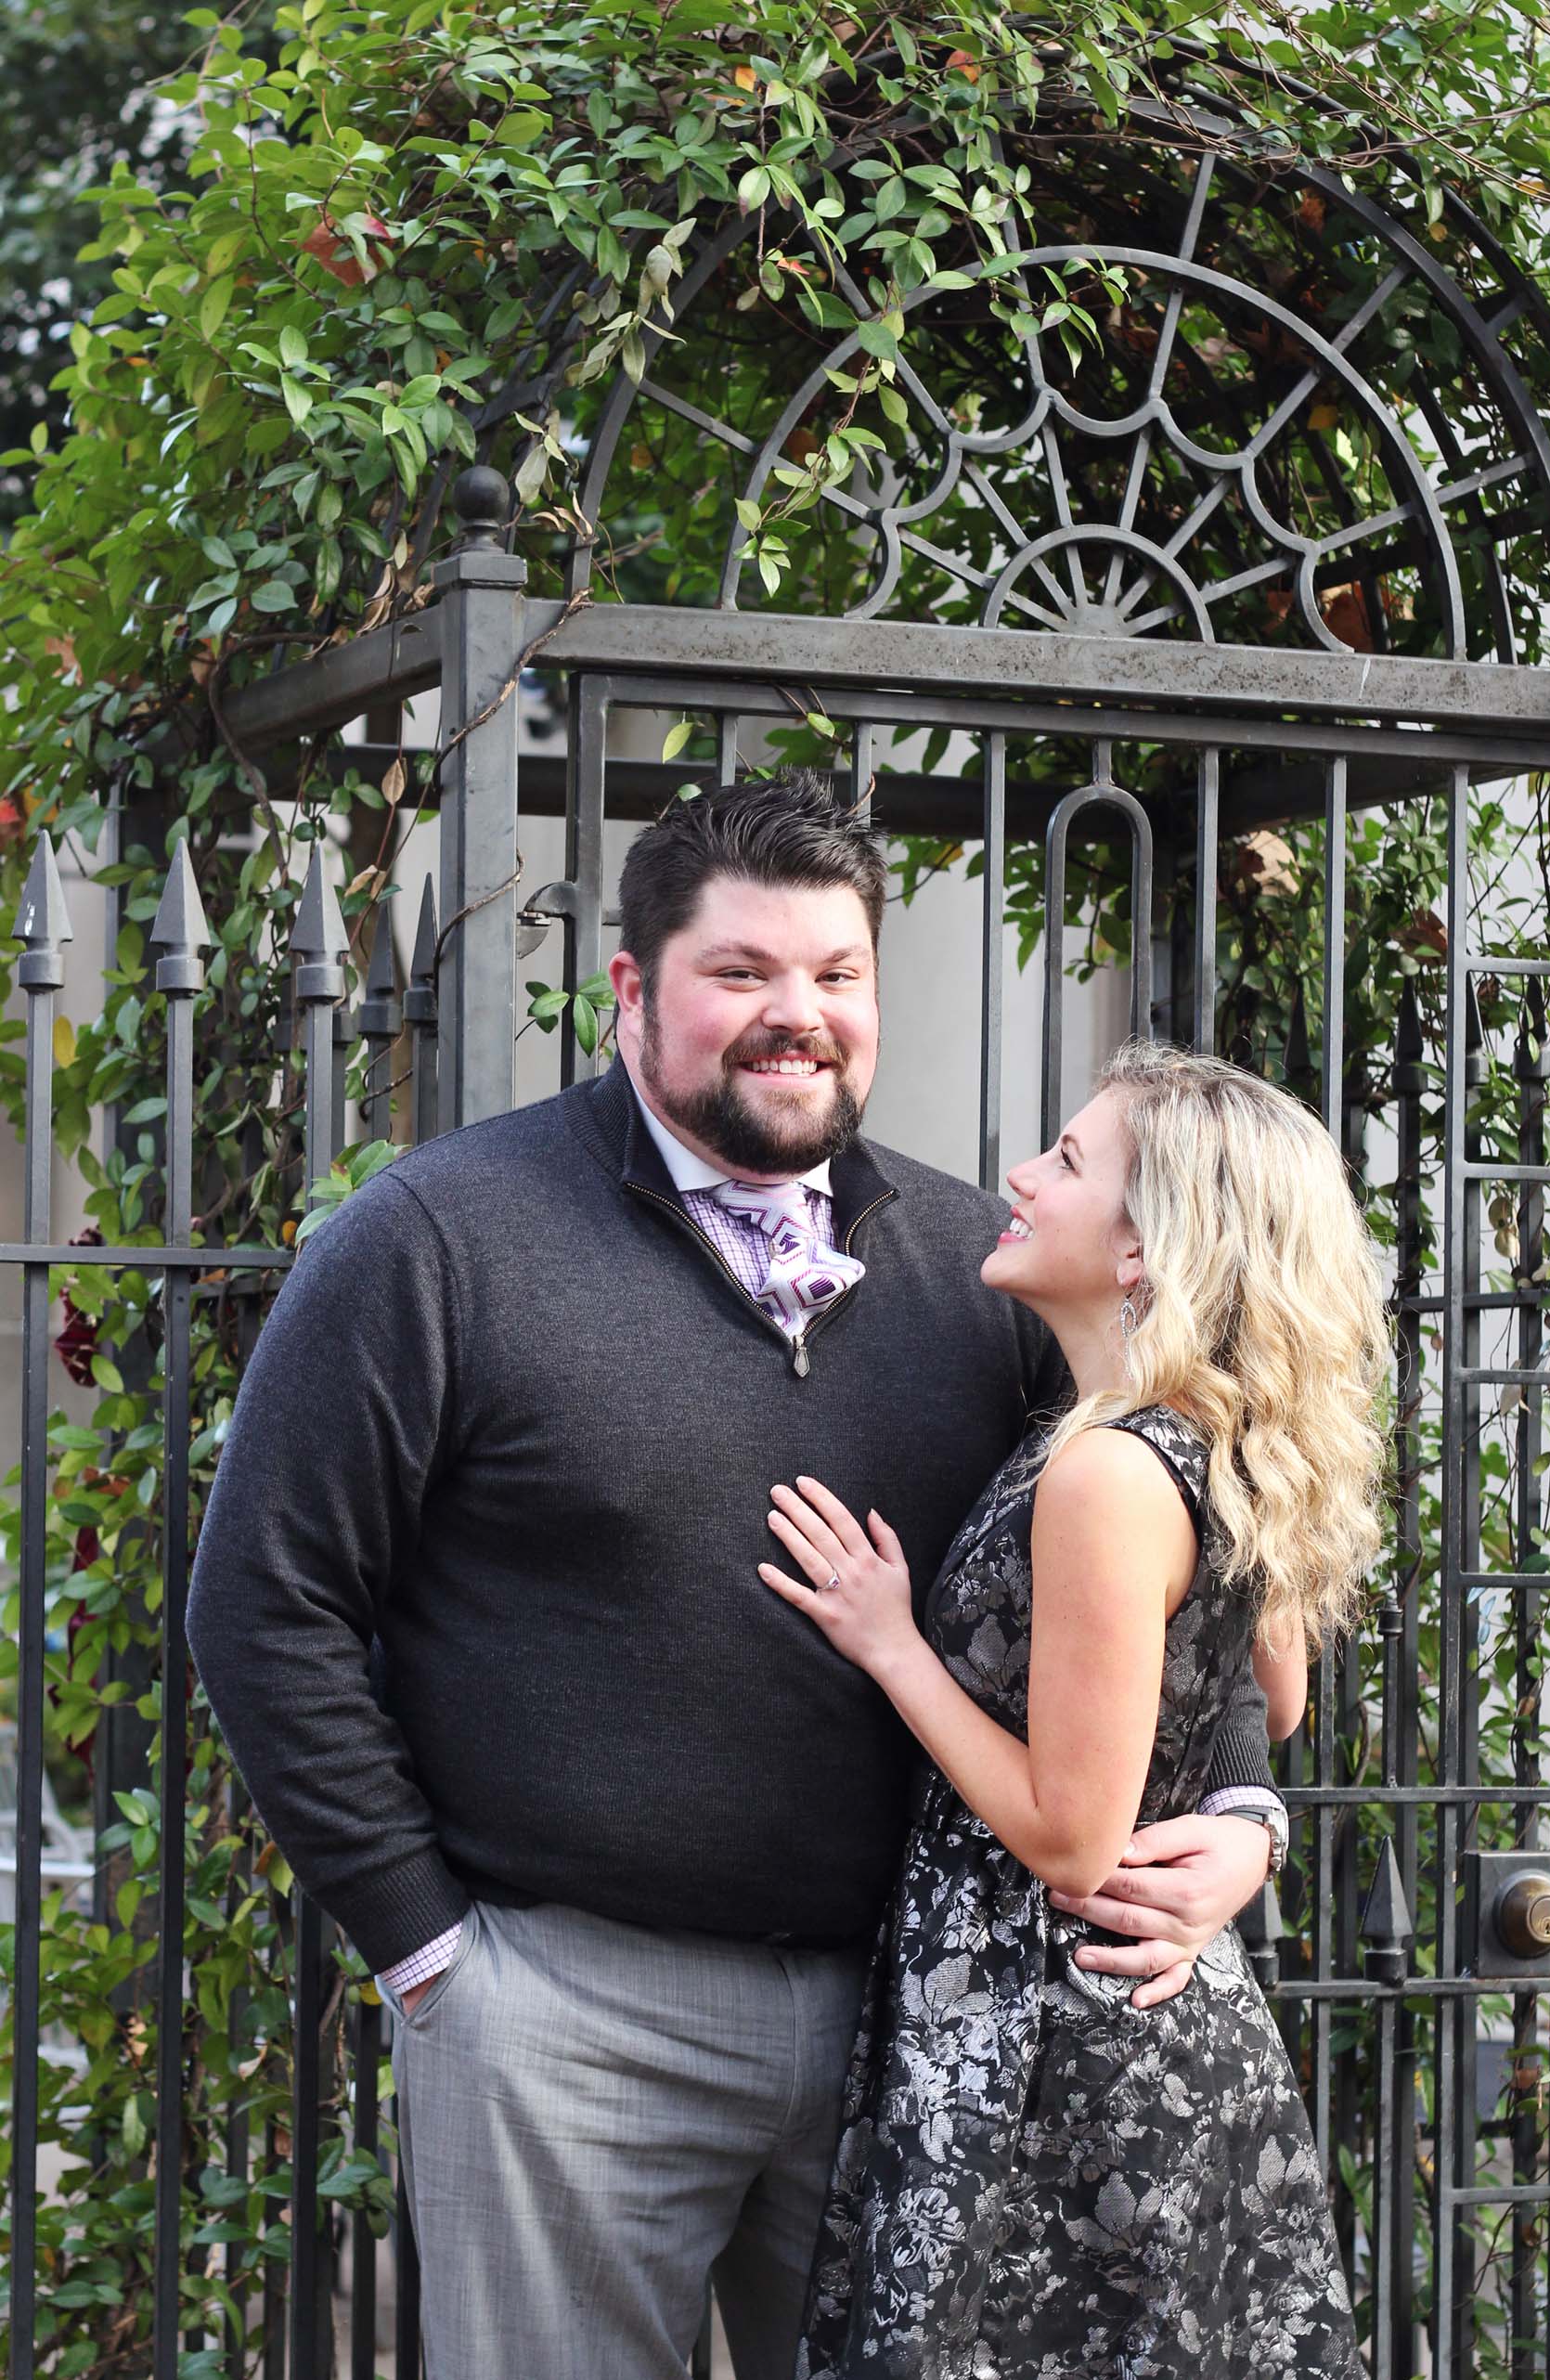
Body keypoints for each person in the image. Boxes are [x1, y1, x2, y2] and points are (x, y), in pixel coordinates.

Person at [185, 775, 1289, 2380]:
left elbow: (1173, 1575)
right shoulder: (438, 1238)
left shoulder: (981, 1267)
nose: (800, 1016)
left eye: (837, 974)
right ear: (631, 991)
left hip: (915, 2022)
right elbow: (262, 1602)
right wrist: (433, 1955)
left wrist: (1242, 1821)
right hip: (564, 2025)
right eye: (743, 973)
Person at [763, 1038, 1384, 2378]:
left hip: (1058, 2049)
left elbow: (1072, 1839)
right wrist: (1249, 1822)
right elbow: (1272, 1699)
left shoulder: (1105, 1470)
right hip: (1147, 2026)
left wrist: (895, 1646)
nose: (1021, 1175)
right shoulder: (1218, 1436)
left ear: (1143, 1245)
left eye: (1065, 1160)